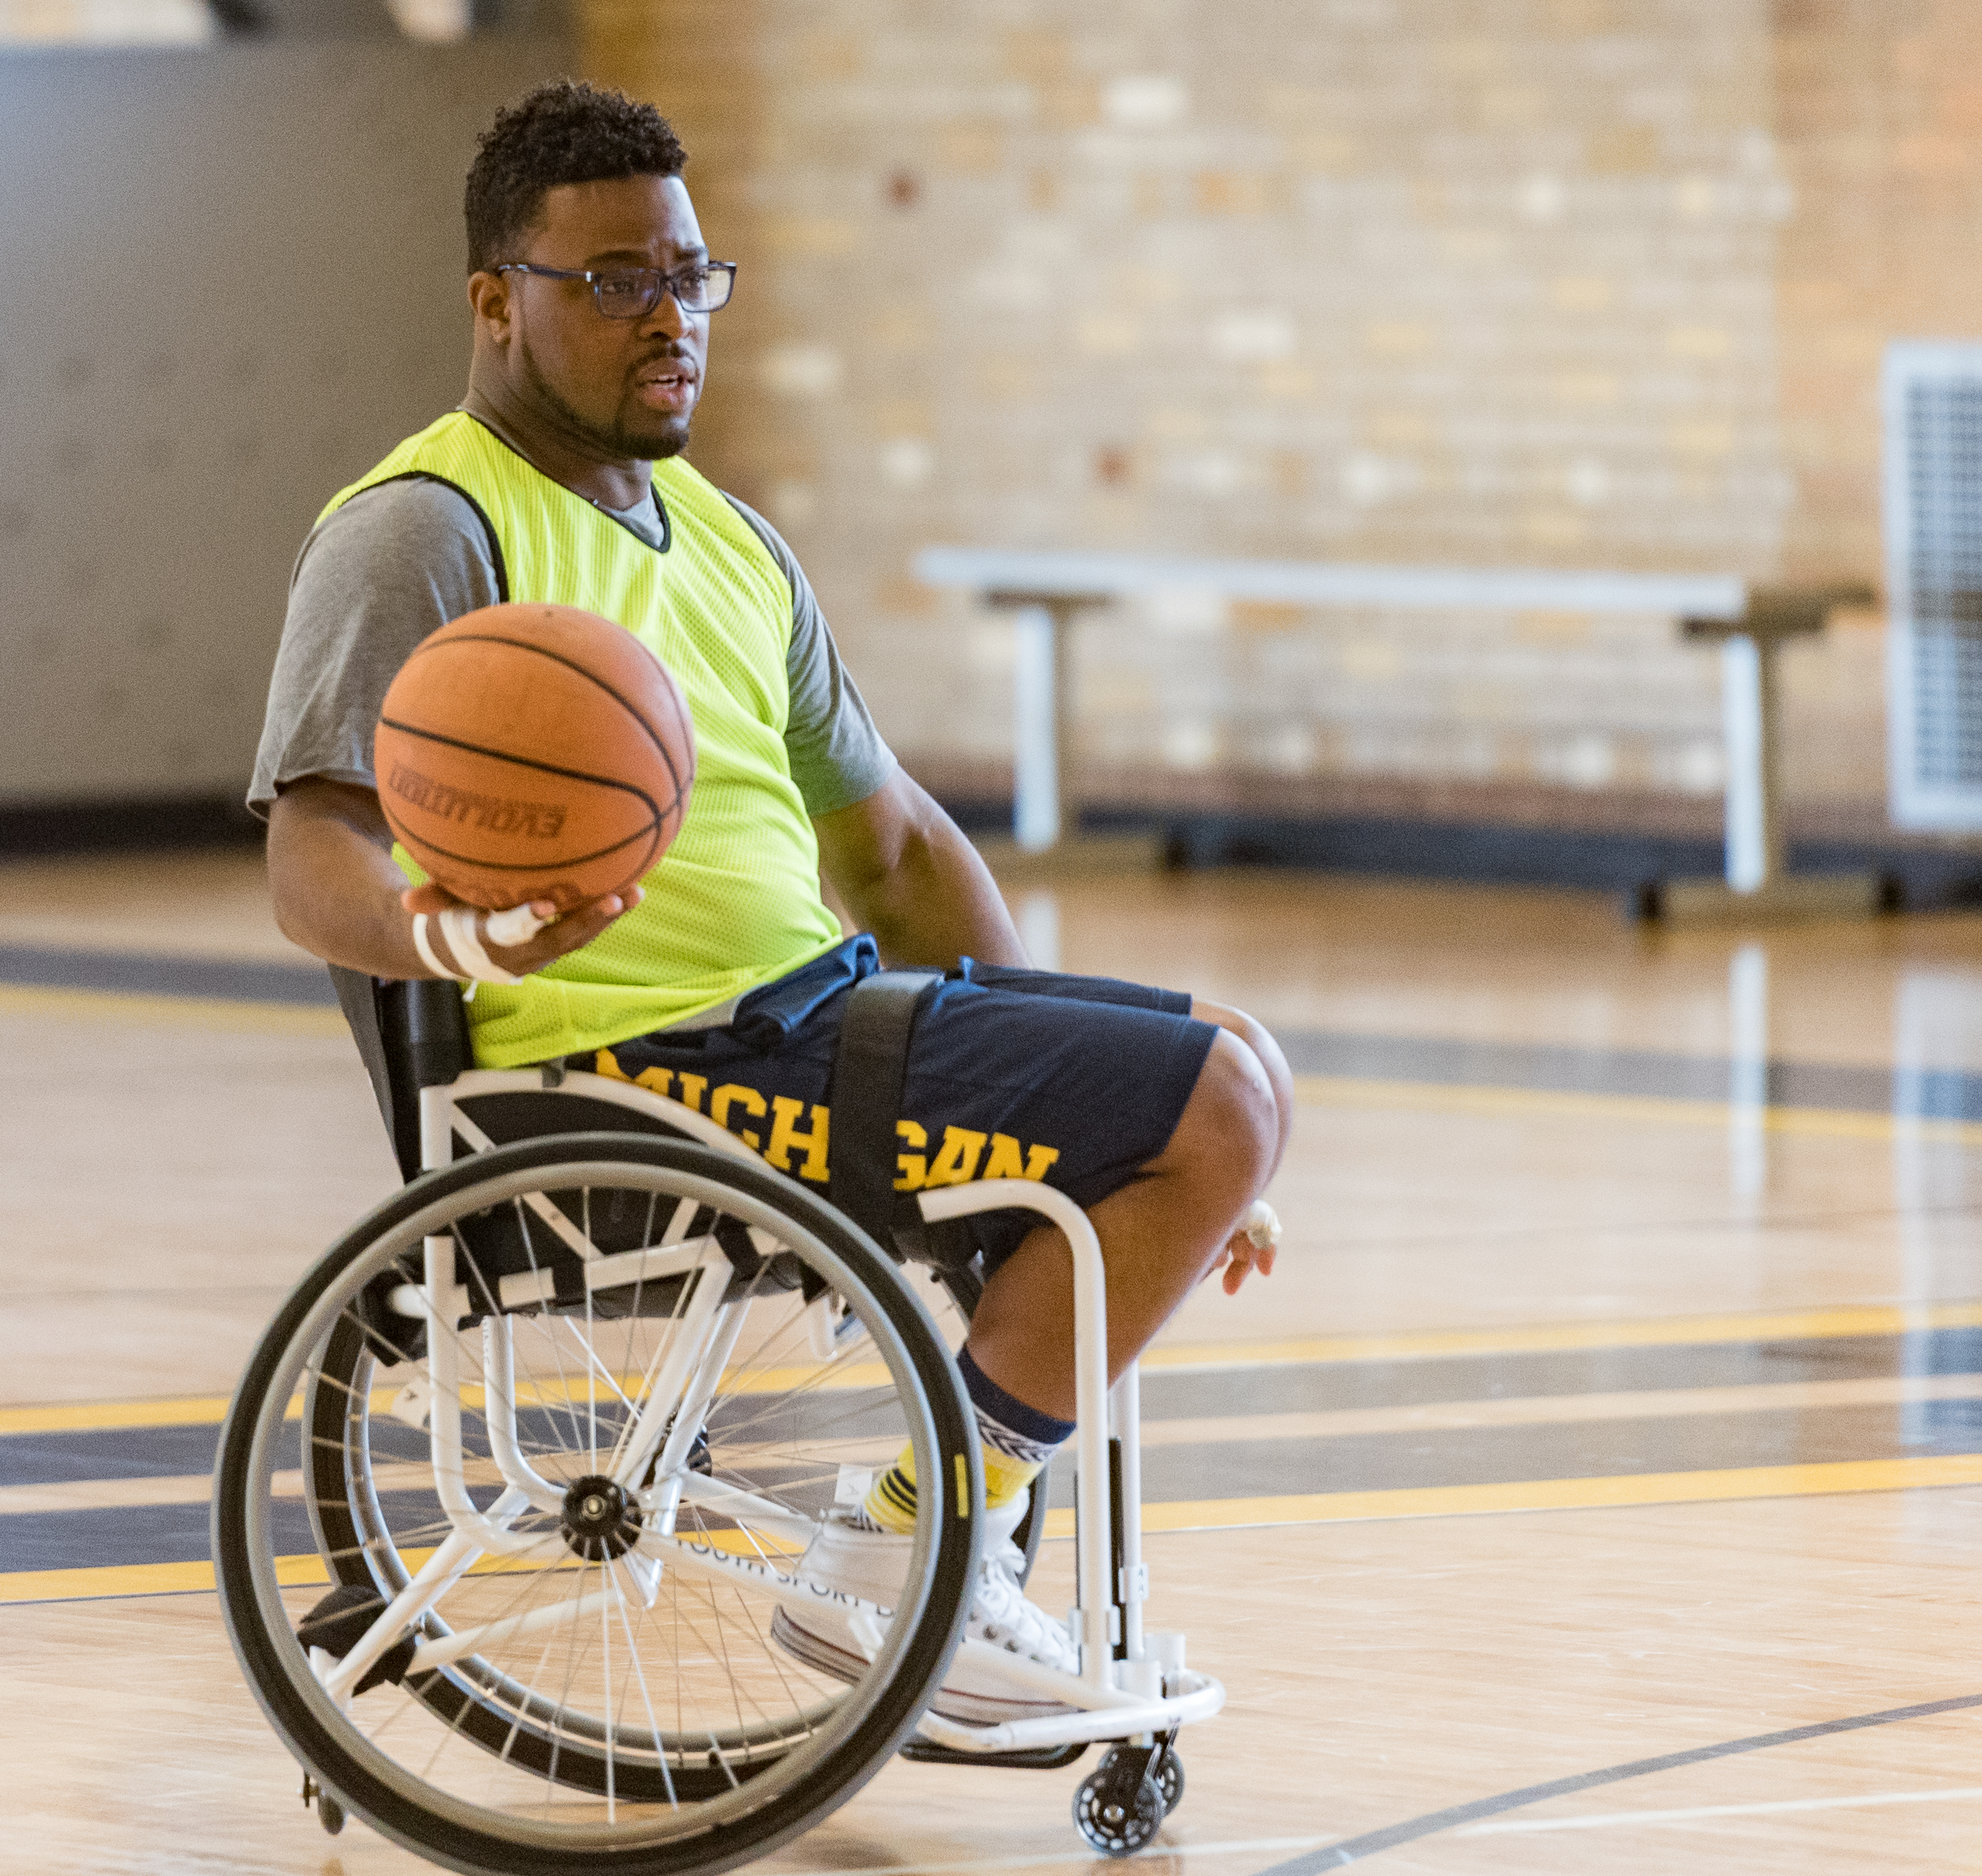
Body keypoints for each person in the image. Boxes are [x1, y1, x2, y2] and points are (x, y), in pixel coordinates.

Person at [247, 81, 1290, 1723]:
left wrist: (1144, 1126)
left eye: (688, 276)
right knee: (1215, 1104)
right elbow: (313, 851)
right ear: (493, 301)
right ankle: (906, 1559)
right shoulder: (421, 534)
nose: (668, 320)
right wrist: (441, 934)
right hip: (632, 1078)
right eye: (614, 282)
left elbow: (897, 851)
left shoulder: (729, 541)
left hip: (810, 1029)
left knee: (1226, 1070)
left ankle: (943, 1545)